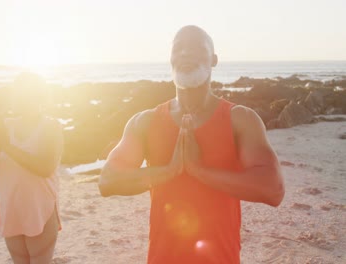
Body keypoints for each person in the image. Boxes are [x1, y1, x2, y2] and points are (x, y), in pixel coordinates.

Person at [98, 25, 285, 264]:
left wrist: (199, 171)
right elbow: (108, 181)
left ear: (214, 59)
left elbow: (273, 189)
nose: (185, 53)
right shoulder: (145, 121)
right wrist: (169, 171)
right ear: (171, 59)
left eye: (196, 47)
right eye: (178, 48)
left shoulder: (240, 119)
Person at [0, 73, 63, 264]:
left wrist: (7, 146)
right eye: (16, 94)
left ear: (39, 97)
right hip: (11, 208)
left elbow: (45, 167)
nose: (18, 99)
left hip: (40, 207)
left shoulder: (51, 127)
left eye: (25, 94)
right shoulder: (6, 127)